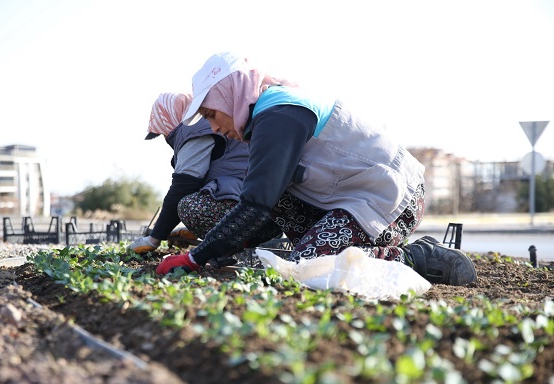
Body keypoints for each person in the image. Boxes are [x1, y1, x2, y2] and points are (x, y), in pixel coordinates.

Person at [156, 52, 477, 286]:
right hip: (353, 199)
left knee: (307, 268)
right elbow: (264, 202)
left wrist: (195, 258)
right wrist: (225, 246)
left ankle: (414, 258)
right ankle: (334, 245)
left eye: (212, 114)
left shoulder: (278, 114)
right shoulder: (267, 112)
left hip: (393, 201)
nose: (214, 128)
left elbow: (254, 205)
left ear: (229, 95)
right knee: (279, 202)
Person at [129, 92, 260, 253]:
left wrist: (153, 239)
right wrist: (192, 229)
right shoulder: (205, 123)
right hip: (252, 198)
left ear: (170, 119)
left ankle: (229, 250)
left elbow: (184, 186)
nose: (165, 137)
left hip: (247, 204)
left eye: (163, 131)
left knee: (189, 207)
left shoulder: (194, 128)